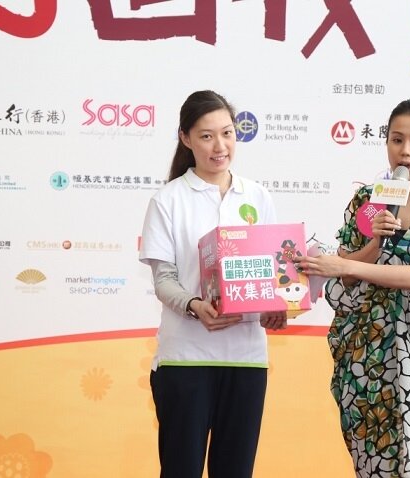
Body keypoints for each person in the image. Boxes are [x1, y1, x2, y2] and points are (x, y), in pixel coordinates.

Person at [296, 97, 410, 477]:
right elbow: (348, 274)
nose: (405, 151)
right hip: (366, 349)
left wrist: (345, 264)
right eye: (397, 139)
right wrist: (374, 244)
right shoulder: (367, 200)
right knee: (373, 458)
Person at [139, 90, 287, 478]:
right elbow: (164, 280)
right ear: (186, 139)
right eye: (206, 136)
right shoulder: (168, 200)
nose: (219, 146)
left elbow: (271, 272)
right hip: (185, 359)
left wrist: (275, 306)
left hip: (246, 358)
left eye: (227, 133)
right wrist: (194, 306)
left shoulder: (257, 196)